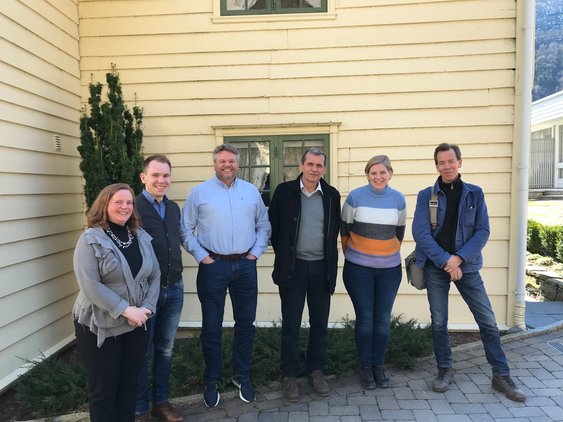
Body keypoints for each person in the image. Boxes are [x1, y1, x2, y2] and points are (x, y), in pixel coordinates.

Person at [412, 143, 526, 402]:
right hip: (436, 267)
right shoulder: (425, 195)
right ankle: (444, 370)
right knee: (439, 322)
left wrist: (460, 259)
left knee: (487, 321)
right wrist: (446, 262)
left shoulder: (475, 193)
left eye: (451, 161)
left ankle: (501, 375)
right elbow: (420, 233)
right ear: (437, 166)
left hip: (468, 267)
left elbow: (482, 231)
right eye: (441, 162)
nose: (447, 166)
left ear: (460, 162)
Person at [181, 144, 271, 408]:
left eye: (231, 161)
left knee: (246, 324)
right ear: (215, 164)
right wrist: (202, 257)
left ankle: (242, 376)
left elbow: (264, 225)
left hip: (245, 266)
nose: (227, 165)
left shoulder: (251, 191)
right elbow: (185, 230)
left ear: (238, 164)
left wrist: (255, 253)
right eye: (222, 161)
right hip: (213, 267)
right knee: (212, 326)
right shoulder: (199, 193)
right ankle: (212, 380)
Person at [72, 183, 160, 422]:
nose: (125, 207)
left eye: (129, 202)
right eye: (118, 202)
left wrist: (147, 308)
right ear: (104, 205)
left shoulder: (139, 236)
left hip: (138, 321)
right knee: (104, 390)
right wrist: (125, 310)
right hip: (100, 324)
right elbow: (90, 284)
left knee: (129, 385)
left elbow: (155, 274)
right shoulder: (90, 239)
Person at [269, 147, 341, 402]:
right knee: (291, 324)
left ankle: (316, 370)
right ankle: (289, 376)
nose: (314, 169)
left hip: (322, 269)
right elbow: (275, 230)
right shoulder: (284, 192)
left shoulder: (332, 195)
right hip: (293, 268)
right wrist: (288, 257)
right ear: (301, 166)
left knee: (320, 324)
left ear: (324, 168)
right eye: (310, 164)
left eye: (319, 165)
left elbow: (334, 233)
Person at [340, 155, 406, 390]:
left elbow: (399, 233)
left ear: (390, 173)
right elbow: (344, 232)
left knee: (382, 321)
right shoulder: (355, 197)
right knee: (366, 320)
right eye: (373, 173)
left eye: (382, 172)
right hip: (359, 269)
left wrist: (383, 253)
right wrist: (360, 256)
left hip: (390, 270)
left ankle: (379, 365)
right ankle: (365, 368)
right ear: (367, 175)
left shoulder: (398, 199)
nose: (378, 177)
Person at [135, 156, 185, 422]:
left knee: (165, 349)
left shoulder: (174, 208)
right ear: (144, 177)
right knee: (142, 352)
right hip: (145, 293)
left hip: (174, 288)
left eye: (166, 176)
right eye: (155, 175)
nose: (161, 181)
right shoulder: (132, 207)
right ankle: (140, 408)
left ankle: (161, 403)